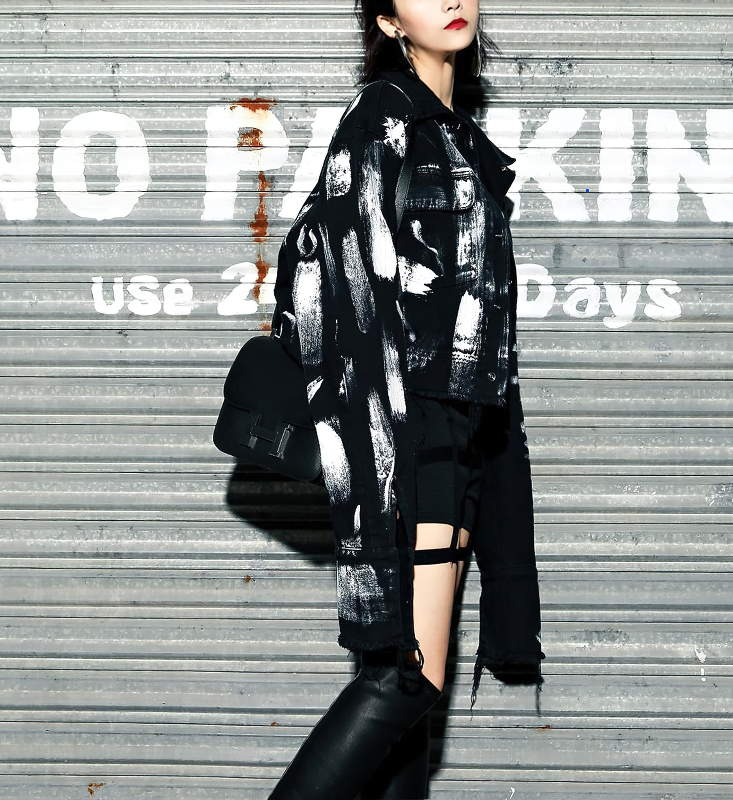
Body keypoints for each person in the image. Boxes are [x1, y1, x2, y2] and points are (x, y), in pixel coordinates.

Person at [269, 0, 544, 797]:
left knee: (407, 714)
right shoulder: (383, 115)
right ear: (390, 22)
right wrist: (382, 458)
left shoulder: (458, 140)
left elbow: (490, 342)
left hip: (457, 440)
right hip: (407, 435)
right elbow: (344, 289)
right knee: (405, 681)